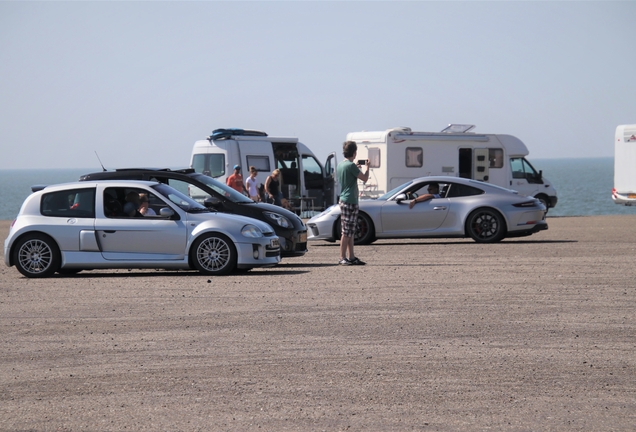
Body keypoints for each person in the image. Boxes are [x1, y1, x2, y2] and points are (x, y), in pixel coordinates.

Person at [337, 140, 370, 266]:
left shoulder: (341, 165)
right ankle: (342, 257)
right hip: (350, 200)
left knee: (350, 230)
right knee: (346, 231)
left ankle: (351, 256)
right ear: (354, 152)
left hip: (344, 198)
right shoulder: (350, 166)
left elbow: (349, 175)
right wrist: (368, 167)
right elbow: (365, 178)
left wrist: (355, 168)